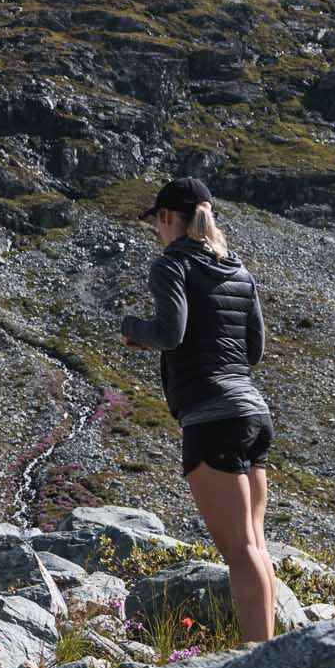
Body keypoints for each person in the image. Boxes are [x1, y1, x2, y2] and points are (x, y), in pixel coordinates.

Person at [119, 177, 277, 642]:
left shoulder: (172, 264)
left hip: (212, 417)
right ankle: (266, 649)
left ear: (167, 217)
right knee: (255, 544)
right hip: (253, 413)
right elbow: (254, 350)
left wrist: (133, 328)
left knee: (240, 549)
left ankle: (257, 657)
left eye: (157, 223)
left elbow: (170, 332)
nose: (157, 232)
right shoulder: (239, 271)